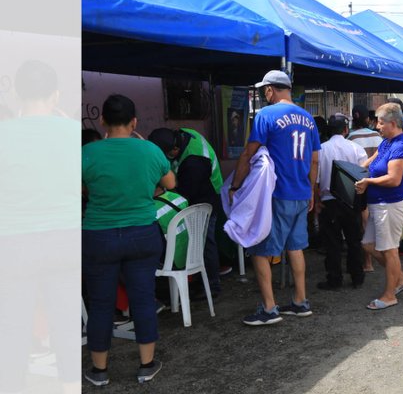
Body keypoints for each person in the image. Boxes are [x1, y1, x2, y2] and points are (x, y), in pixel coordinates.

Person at [82, 94, 175, 385]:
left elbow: (80, 190)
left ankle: (99, 371)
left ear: (102, 121)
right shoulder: (149, 150)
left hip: (99, 235)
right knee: (143, 298)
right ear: (134, 121)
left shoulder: (87, 153)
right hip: (142, 234)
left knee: (100, 303)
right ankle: (146, 364)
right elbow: (170, 184)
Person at [230, 70, 320, 325]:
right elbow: (314, 160)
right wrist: (311, 190)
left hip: (277, 193)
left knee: (259, 249)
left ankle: (269, 308)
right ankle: (300, 302)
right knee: (296, 247)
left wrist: (236, 185)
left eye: (264, 91)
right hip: (301, 192)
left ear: (270, 90)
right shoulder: (308, 118)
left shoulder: (265, 115)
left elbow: (248, 154)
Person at [147, 125, 227, 298]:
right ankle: (196, 278)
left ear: (175, 149)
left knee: (205, 243)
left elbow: (183, 191)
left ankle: (212, 285)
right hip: (197, 192)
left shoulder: (194, 162)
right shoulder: (183, 134)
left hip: (206, 198)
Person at [355, 102, 403, 310]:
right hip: (379, 205)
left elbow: (394, 179)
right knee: (368, 245)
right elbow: (371, 161)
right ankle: (401, 278)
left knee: (389, 250)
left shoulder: (399, 145)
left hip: (390, 206)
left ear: (393, 123)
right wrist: (354, 172)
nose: (377, 126)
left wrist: (368, 182)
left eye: (380, 123)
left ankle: (390, 295)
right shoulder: (386, 142)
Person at [315, 114, 368, 290]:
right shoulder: (356, 149)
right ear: (346, 130)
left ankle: (334, 279)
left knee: (332, 242)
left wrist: (316, 200)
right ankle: (357, 277)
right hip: (351, 200)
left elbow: (314, 179)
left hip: (328, 201)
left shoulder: (321, 149)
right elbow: (363, 174)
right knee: (354, 240)